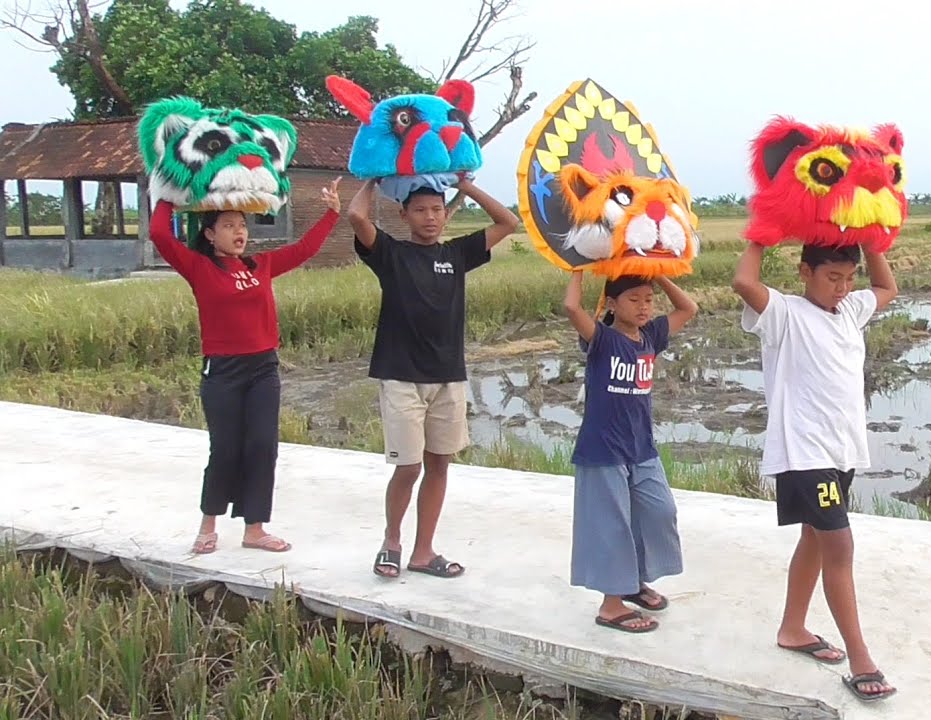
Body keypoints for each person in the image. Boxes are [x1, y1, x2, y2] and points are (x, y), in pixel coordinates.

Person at [731, 240, 899, 702]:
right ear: (805, 271)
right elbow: (744, 282)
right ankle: (861, 658)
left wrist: (871, 239)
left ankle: (792, 628)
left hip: (842, 452)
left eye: (849, 278)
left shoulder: (850, 310)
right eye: (832, 278)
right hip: (805, 455)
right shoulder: (784, 314)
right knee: (839, 544)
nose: (843, 288)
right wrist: (760, 236)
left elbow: (887, 286)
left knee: (814, 537)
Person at [148, 179, 344, 556]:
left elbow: (305, 249)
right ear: (210, 233)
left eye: (242, 225)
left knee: (261, 446)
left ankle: (255, 529)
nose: (239, 232)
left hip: (263, 368)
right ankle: (208, 525)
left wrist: (332, 212)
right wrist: (168, 192)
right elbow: (159, 232)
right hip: (222, 370)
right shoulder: (200, 267)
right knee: (224, 448)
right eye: (228, 226)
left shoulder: (261, 265)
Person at [348, 176, 519, 579]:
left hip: (448, 376)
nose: (430, 218)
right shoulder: (391, 252)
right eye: (421, 210)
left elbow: (507, 222)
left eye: (438, 210)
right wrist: (376, 177)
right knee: (408, 466)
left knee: (439, 463)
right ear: (403, 214)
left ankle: (424, 553)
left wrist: (466, 185)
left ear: (447, 214)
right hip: (402, 376)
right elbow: (355, 214)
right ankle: (392, 542)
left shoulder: (457, 253)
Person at [561, 272, 698, 633]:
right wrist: (577, 269)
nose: (643, 307)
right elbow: (571, 306)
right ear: (611, 303)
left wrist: (662, 276)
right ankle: (611, 606)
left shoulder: (650, 335)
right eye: (634, 299)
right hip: (603, 449)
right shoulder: (602, 339)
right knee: (612, 525)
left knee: (659, 511)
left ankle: (634, 581)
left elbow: (688, 307)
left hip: (641, 448)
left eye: (648, 300)